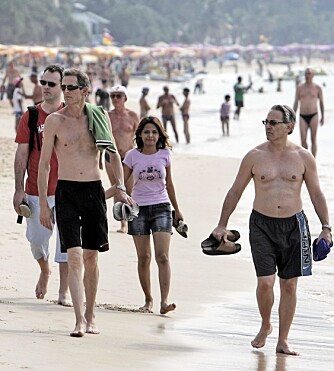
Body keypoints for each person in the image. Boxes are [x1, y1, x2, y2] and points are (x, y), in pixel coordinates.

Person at [211, 104, 331, 355]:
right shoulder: (254, 156)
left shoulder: (303, 157)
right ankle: (266, 325)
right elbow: (235, 191)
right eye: (266, 122)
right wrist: (222, 224)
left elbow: (317, 193)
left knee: (289, 285)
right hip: (261, 224)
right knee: (265, 283)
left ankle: (283, 340)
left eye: (273, 123)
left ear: (289, 126)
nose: (268, 126)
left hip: (295, 225)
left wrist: (326, 227)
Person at [38, 68, 132, 337]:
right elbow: (45, 164)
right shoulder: (55, 121)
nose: (65, 92)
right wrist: (44, 203)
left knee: (91, 258)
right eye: (63, 88)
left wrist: (121, 187)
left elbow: (113, 155)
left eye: (70, 88)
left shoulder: (98, 116)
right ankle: (79, 320)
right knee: (75, 256)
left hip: (93, 191)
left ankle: (91, 316)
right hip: (66, 192)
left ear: (84, 91)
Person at [106, 116, 184, 314]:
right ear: (140, 134)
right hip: (138, 209)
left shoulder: (165, 154)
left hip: (162, 207)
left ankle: (164, 301)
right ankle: (148, 299)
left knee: (163, 256)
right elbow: (121, 183)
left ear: (159, 135)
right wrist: (103, 197)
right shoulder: (132, 156)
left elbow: (171, 184)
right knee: (144, 258)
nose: (150, 135)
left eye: (154, 132)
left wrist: (177, 209)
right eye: (147, 132)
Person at [13, 64, 71, 306]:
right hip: (37, 189)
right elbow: (21, 154)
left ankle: (64, 291)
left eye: (51, 84)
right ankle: (44, 269)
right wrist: (18, 189)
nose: (45, 87)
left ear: (62, 87)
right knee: (37, 241)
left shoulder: (73, 114)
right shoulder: (32, 115)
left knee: (68, 244)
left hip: (68, 189)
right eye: (44, 83)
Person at [107, 85, 139, 233]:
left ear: (125, 98)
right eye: (113, 96)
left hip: (128, 158)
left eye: (118, 96)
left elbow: (140, 137)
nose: (115, 99)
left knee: (129, 189)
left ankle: (131, 219)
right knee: (116, 187)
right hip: (110, 157)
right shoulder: (107, 115)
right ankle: (122, 224)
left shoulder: (132, 116)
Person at [293, 67, 324, 157]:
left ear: (313, 75)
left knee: (313, 139)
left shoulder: (317, 88)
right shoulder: (299, 88)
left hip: (314, 115)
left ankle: (313, 161)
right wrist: (292, 115)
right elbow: (296, 102)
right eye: (306, 73)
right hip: (302, 115)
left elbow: (321, 102)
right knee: (303, 140)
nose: (307, 75)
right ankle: (306, 160)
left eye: (309, 73)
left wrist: (323, 116)